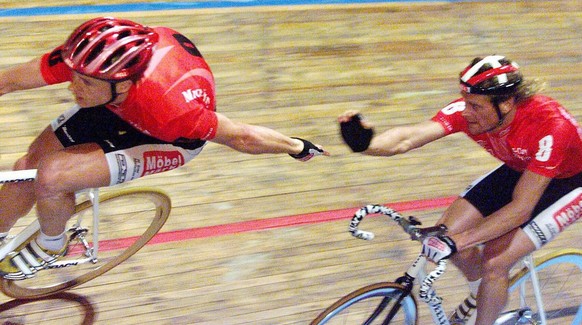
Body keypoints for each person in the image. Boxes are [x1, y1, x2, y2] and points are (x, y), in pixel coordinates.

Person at [0, 17, 329, 280]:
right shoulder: (90, 57)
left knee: (51, 177)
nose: (72, 86)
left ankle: (52, 244)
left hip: (165, 138)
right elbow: (8, 80)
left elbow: (240, 136)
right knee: (26, 167)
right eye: (73, 76)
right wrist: (87, 82)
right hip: (114, 104)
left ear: (125, 83)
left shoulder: (172, 112)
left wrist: (297, 146)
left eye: (83, 83)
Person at [338, 55, 581, 324]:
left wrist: (460, 241)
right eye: (465, 102)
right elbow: (407, 139)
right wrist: (366, 144)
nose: (465, 112)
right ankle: (483, 296)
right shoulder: (476, 111)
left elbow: (520, 209)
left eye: (474, 106)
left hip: (571, 182)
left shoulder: (551, 127)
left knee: (494, 262)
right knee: (447, 231)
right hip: (523, 166)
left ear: (506, 102)